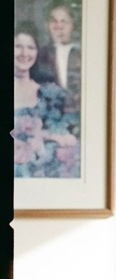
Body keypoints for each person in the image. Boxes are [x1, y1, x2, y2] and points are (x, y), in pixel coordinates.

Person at [13, 21, 80, 178]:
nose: (24, 53)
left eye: (31, 47)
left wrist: (45, 136)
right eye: (17, 46)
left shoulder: (50, 94)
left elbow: (68, 137)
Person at [32, 4, 82, 110]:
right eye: (54, 21)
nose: (59, 26)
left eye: (64, 21)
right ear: (47, 25)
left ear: (72, 25)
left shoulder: (82, 53)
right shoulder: (40, 55)